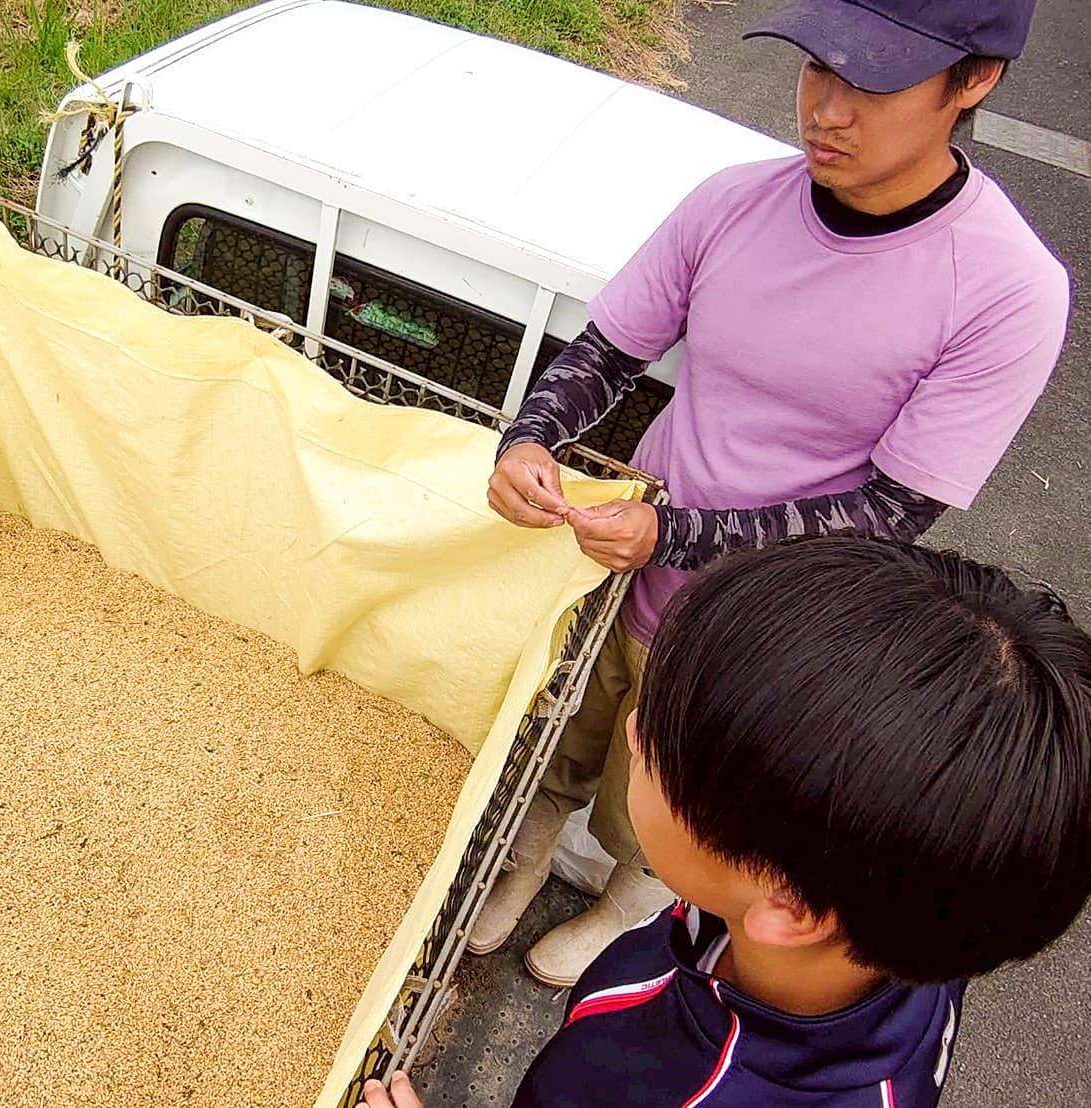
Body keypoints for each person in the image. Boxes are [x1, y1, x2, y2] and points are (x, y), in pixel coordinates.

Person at [474, 0, 1071, 987]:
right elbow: (607, 351)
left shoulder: (1006, 290)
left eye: (872, 82)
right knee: (561, 733)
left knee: (667, 798)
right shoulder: (734, 199)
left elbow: (884, 520)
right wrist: (528, 436)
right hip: (608, 571)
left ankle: (630, 906)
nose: (825, 110)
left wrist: (669, 532)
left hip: (756, 627)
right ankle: (527, 855)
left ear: (974, 82)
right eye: (814, 68)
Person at [359, 536, 1091, 1108]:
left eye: (665, 753)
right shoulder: (910, 911)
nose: (633, 731)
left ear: (789, 903)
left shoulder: (674, 1091)